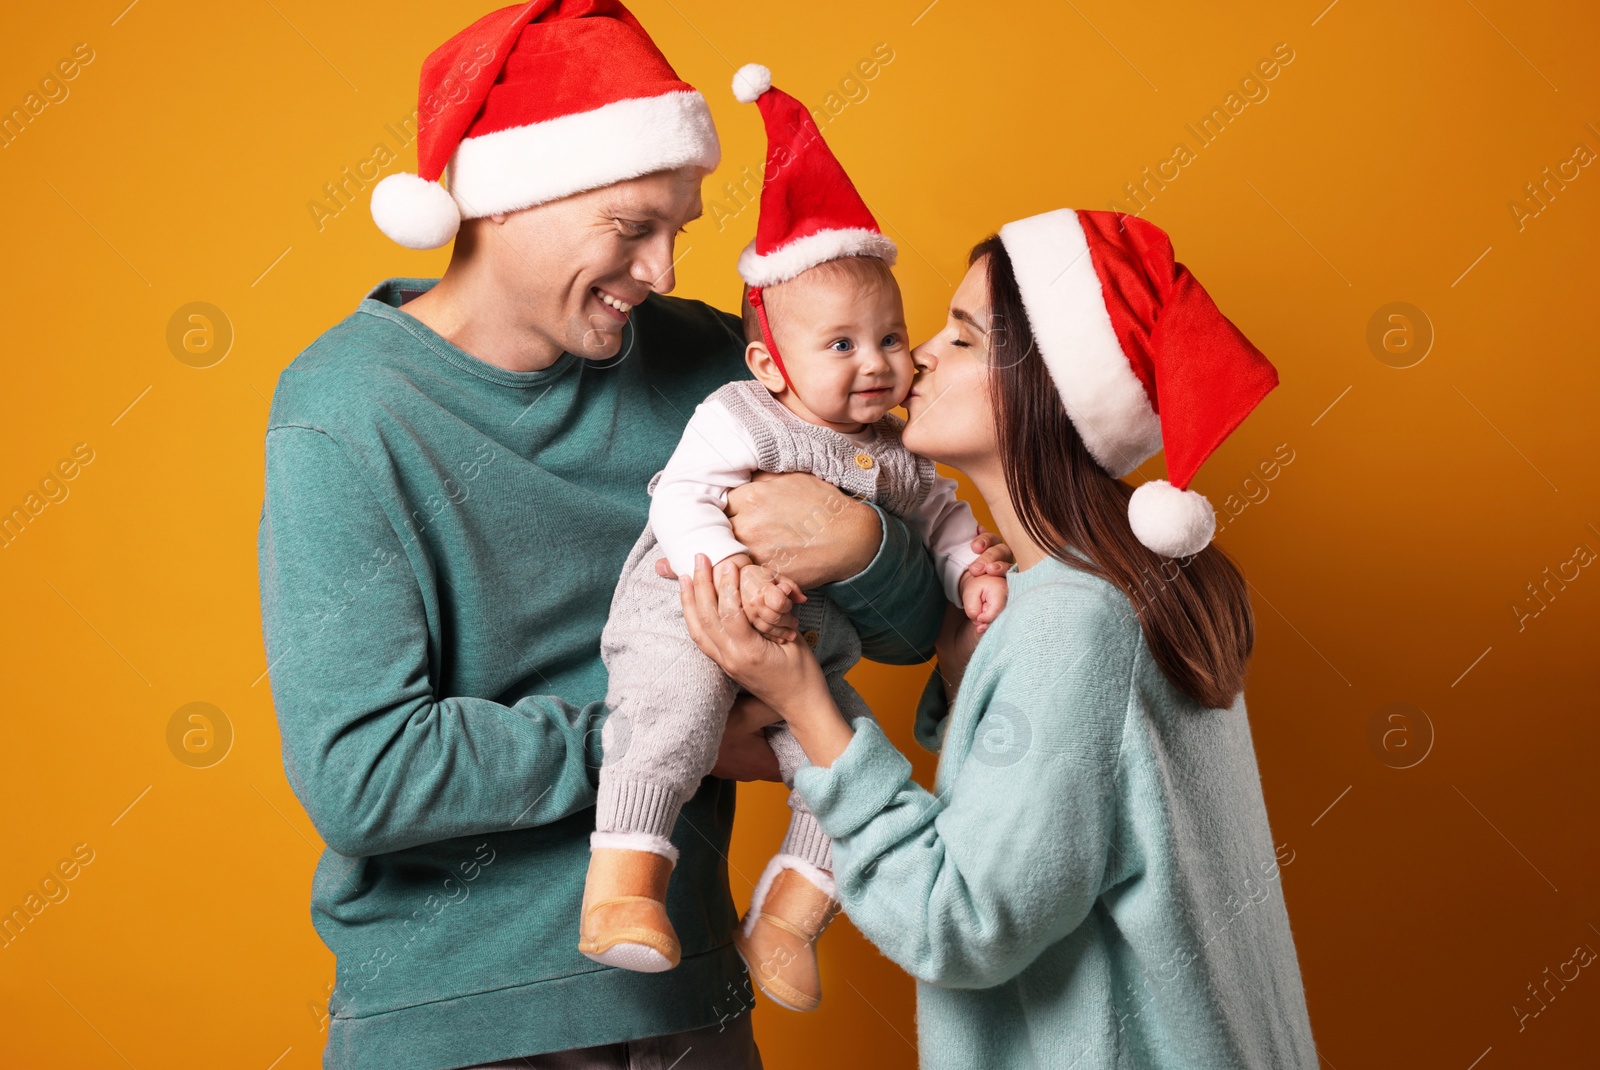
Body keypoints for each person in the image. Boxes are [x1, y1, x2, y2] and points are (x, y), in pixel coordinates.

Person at [256, 4, 1002, 1067]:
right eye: (629, 224)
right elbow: (364, 773)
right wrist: (677, 732)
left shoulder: (717, 363)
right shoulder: (348, 408)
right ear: (512, 198)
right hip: (457, 1024)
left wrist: (859, 543)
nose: (660, 267)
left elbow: (907, 626)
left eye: (677, 230)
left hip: (689, 1002)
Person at [677, 208, 1320, 1068]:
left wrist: (804, 699)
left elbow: (960, 920)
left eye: (965, 339)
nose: (919, 357)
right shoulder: (1096, 592)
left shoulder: (1076, 623)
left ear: (1046, 387)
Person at [580, 64, 1009, 1018]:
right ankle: (622, 888)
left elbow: (937, 518)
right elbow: (681, 501)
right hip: (688, 617)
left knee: (851, 754)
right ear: (772, 365)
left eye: (892, 338)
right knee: (673, 712)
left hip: (793, 650)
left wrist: (966, 565)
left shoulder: (897, 450)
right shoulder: (742, 416)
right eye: (843, 346)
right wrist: (728, 569)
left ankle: (784, 921)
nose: (882, 365)